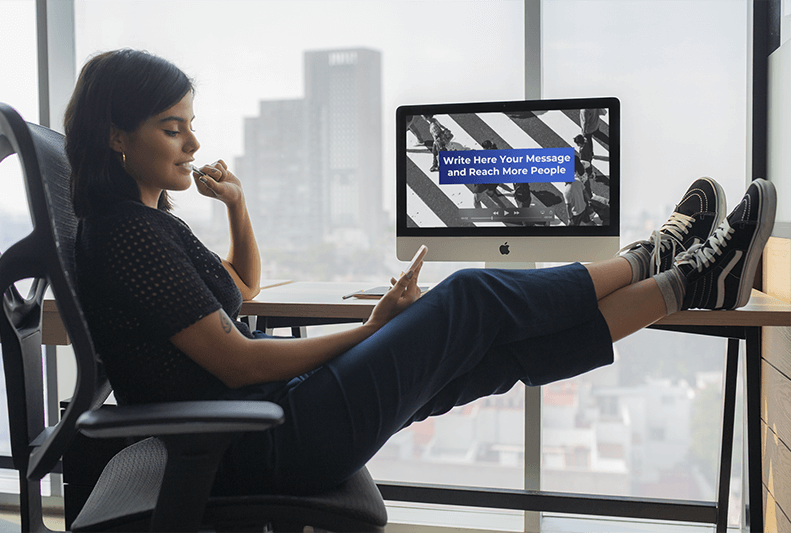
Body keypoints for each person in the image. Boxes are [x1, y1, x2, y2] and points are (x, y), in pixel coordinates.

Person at [65, 49, 777, 496]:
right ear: (116, 135)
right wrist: (373, 326)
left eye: (191, 122)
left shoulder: (148, 225)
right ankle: (650, 259)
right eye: (172, 126)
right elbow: (243, 361)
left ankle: (683, 283)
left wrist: (239, 206)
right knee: (468, 295)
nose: (194, 141)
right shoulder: (125, 235)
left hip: (269, 417)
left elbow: (240, 290)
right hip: (260, 440)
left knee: (490, 357)